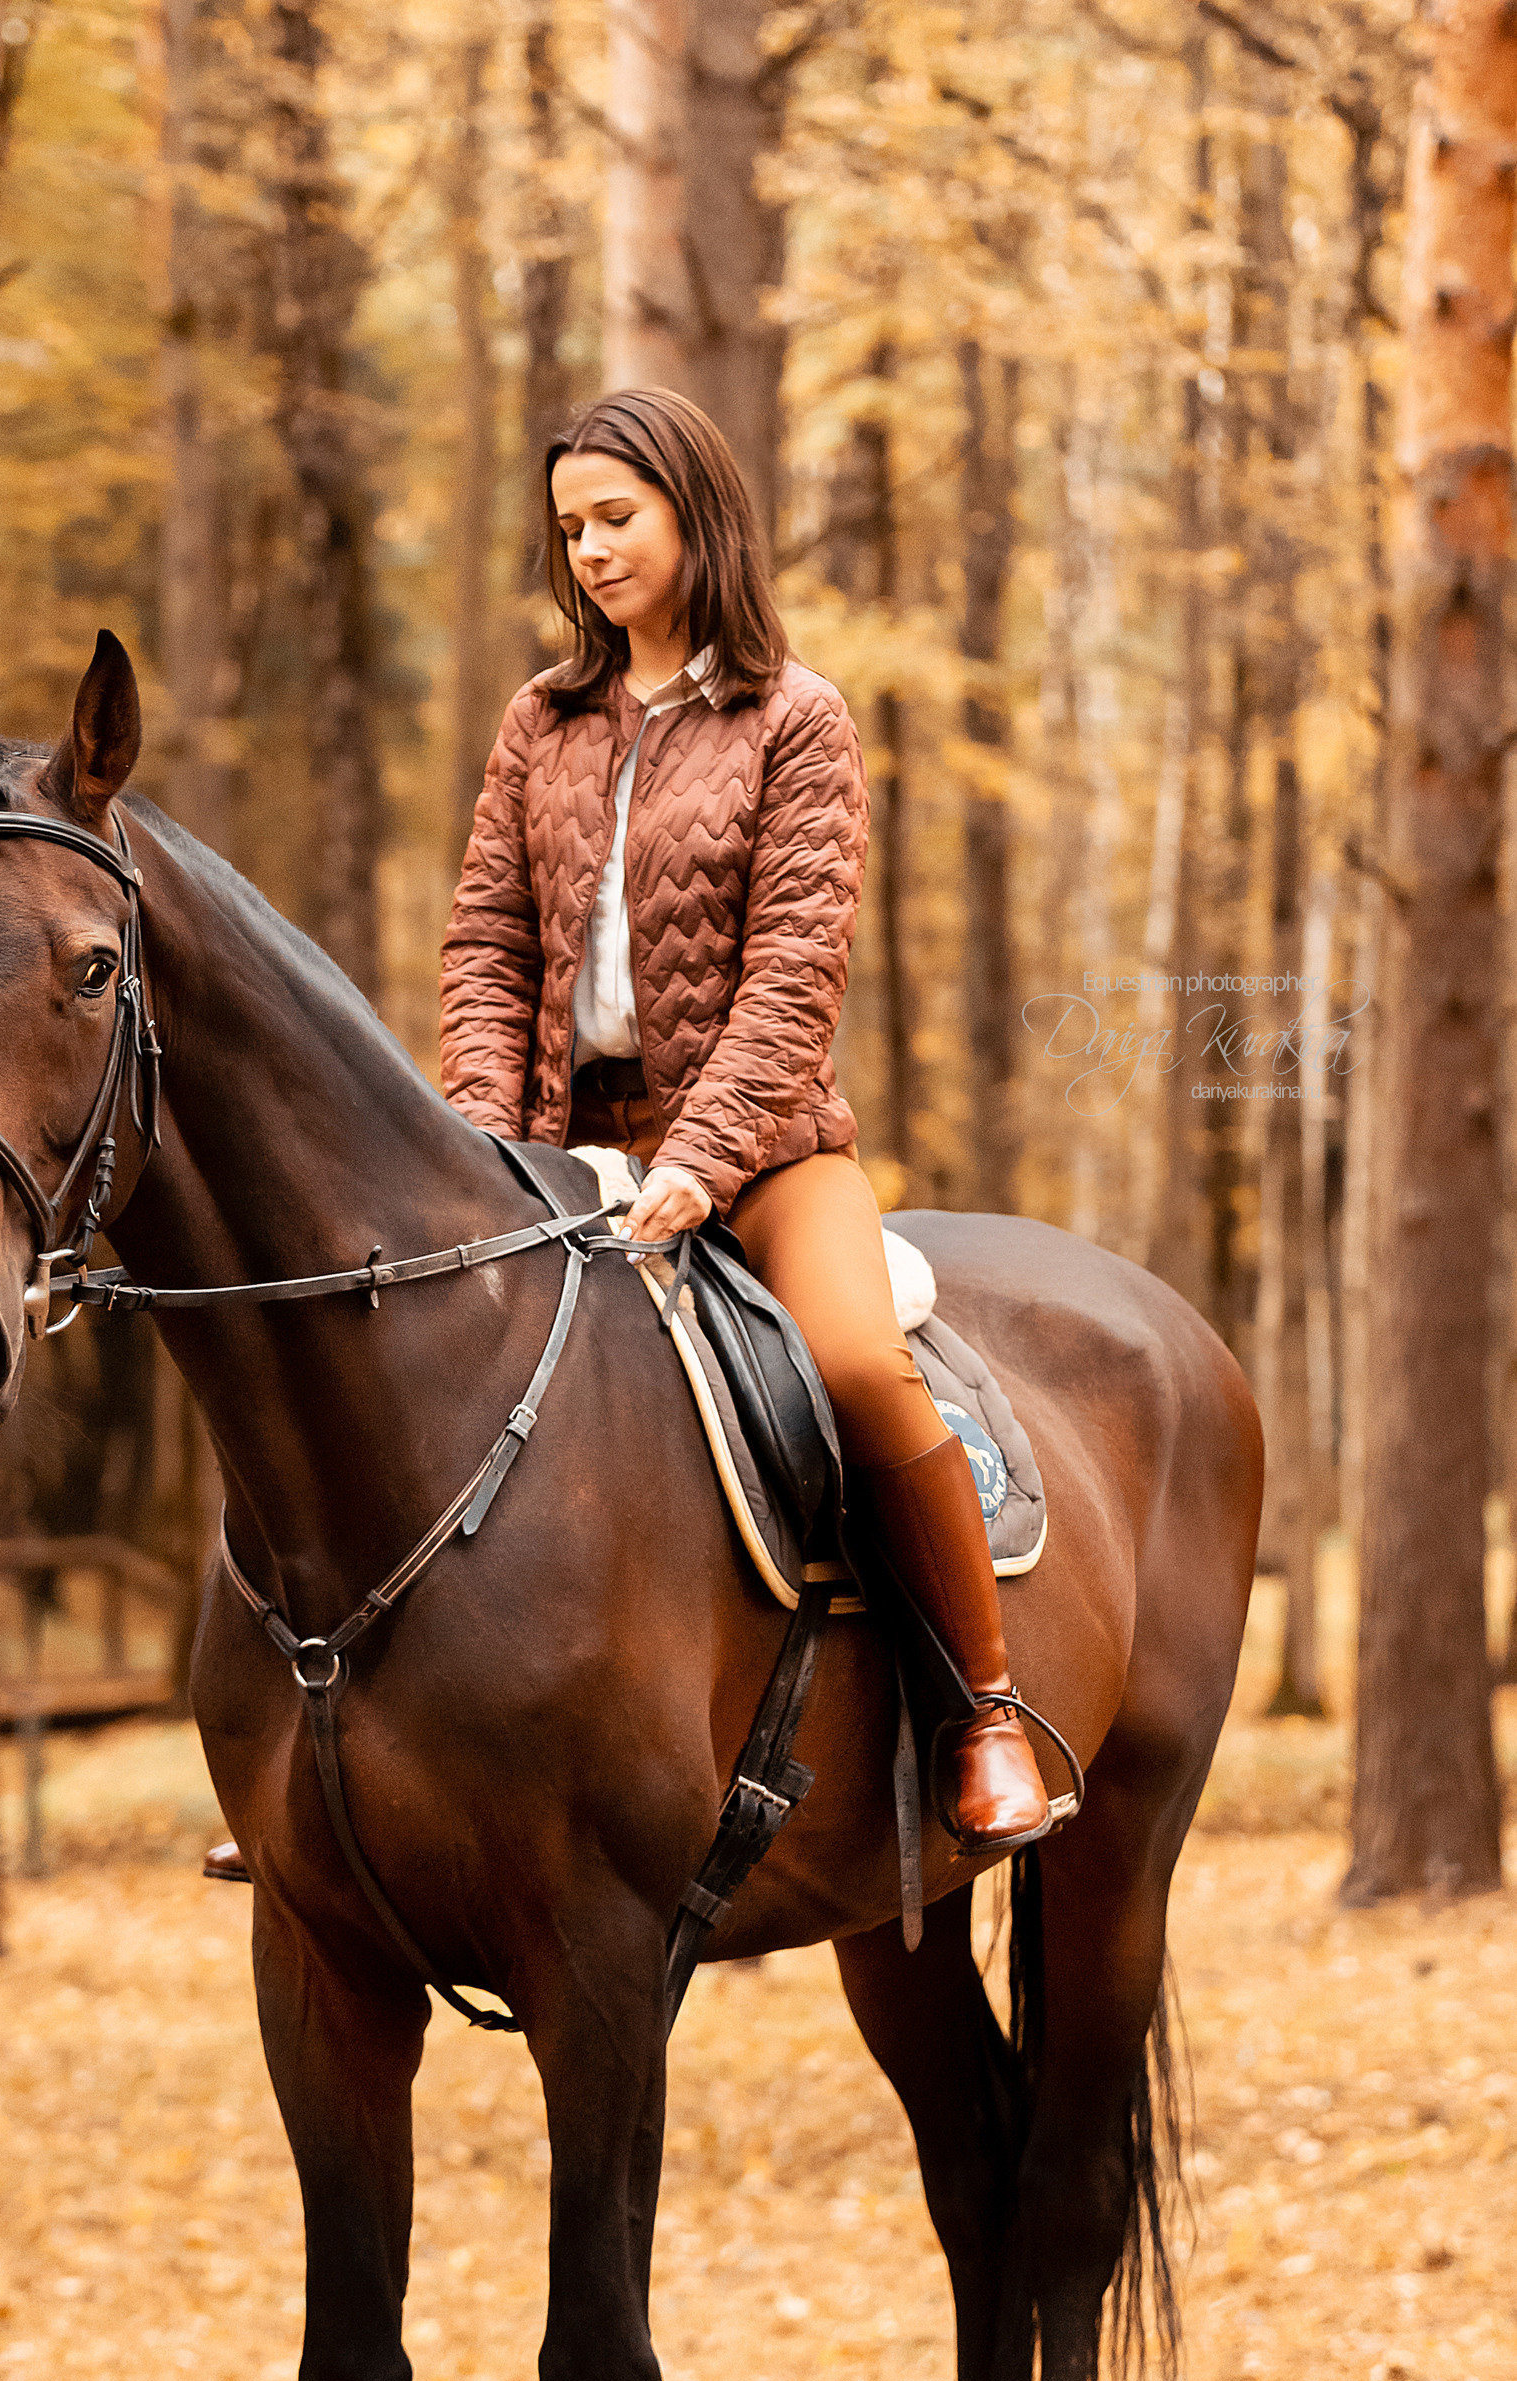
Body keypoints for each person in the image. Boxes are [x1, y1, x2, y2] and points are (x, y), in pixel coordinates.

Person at [202, 386, 1047, 1883]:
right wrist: (475, 1140)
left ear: (695, 515)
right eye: (571, 527)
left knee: (858, 1362)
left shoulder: (797, 717)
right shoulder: (540, 721)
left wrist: (702, 1162)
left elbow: (795, 971)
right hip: (547, 1150)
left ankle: (981, 1712)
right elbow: (485, 942)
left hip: (764, 1152)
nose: (588, 550)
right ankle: (326, 1761)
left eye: (616, 517)